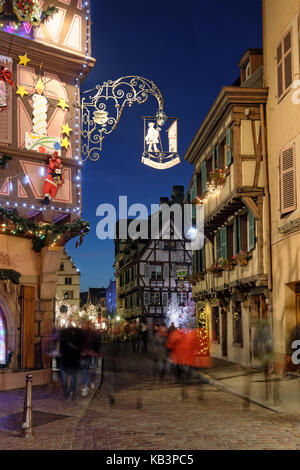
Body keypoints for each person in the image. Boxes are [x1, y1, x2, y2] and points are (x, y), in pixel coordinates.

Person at [59, 324, 84, 400]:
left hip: (65, 359)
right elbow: (80, 348)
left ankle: (65, 392)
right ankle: (71, 391)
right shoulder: (78, 336)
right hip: (74, 360)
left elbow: (61, 349)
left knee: (64, 378)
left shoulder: (63, 335)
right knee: (73, 376)